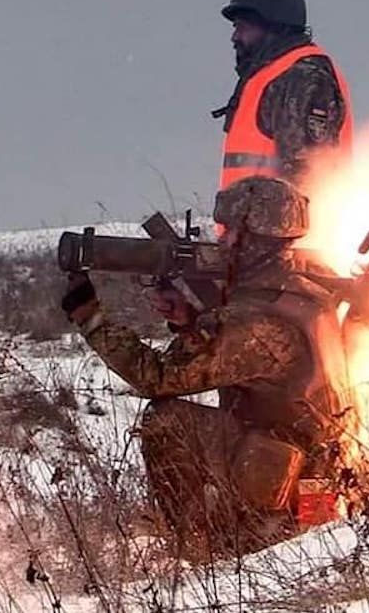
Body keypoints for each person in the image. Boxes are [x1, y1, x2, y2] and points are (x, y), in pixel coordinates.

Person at [61, 177, 351, 559]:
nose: (222, 241)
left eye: (229, 231)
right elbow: (245, 363)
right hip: (310, 464)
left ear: (254, 240)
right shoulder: (301, 288)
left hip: (287, 476)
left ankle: (197, 550)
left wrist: (91, 317)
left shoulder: (254, 320)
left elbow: (157, 377)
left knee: (166, 420)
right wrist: (189, 321)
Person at [213, 0, 354, 193]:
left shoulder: (303, 78)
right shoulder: (270, 76)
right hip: (254, 225)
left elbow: (309, 175)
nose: (235, 37)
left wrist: (288, 226)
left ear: (273, 28)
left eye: (243, 28)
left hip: (289, 226)